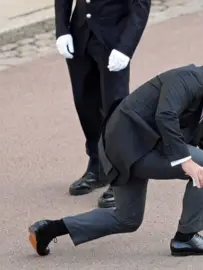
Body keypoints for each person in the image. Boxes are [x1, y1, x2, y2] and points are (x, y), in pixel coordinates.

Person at [28, 49, 203, 257]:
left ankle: (49, 229)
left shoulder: (196, 85)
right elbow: (166, 116)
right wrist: (187, 162)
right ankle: (187, 237)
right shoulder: (188, 79)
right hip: (133, 149)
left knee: (126, 219)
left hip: (126, 150)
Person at [54, 0, 151, 208]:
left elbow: (140, 7)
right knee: (85, 103)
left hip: (114, 39)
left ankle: (121, 176)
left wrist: (126, 48)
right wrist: (62, 30)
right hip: (80, 35)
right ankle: (97, 165)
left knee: (115, 110)